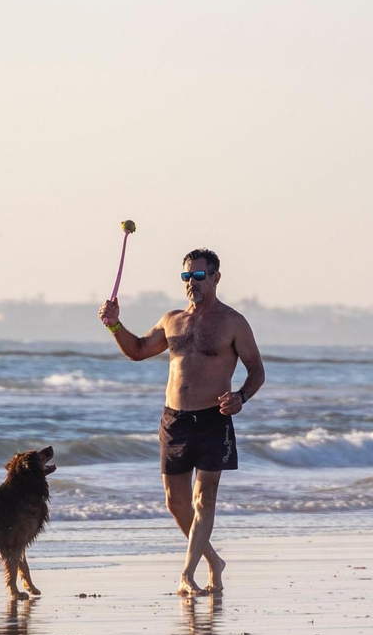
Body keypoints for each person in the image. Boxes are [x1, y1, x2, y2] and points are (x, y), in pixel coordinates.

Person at [98, 248, 265, 596]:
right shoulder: (172, 319)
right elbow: (138, 350)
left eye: (199, 276)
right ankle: (213, 561)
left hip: (213, 420)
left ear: (216, 278)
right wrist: (115, 324)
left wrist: (241, 397)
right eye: (187, 277)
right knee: (175, 504)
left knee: (204, 500)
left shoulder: (233, 323)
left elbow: (257, 371)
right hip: (174, 421)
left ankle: (186, 574)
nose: (192, 283)